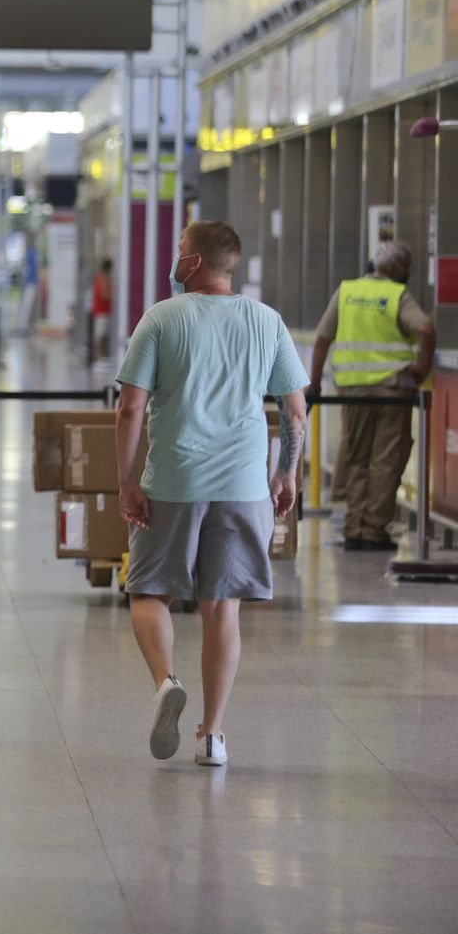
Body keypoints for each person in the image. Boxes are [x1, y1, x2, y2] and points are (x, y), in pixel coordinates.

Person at [115, 220, 308, 769]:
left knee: (149, 590)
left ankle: (165, 682)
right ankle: (212, 737)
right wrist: (286, 474)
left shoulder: (161, 317)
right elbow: (294, 411)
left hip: (173, 481)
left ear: (195, 263)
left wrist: (127, 480)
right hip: (244, 485)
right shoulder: (266, 321)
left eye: (179, 250)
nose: (174, 258)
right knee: (222, 607)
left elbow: (130, 408)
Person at [307, 240, 436, 551]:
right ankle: (374, 531)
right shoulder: (397, 295)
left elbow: (322, 338)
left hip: (351, 388)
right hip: (393, 390)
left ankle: (353, 529)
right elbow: (427, 328)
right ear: (402, 272)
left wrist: (315, 383)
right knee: (386, 460)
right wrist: (422, 368)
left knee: (356, 457)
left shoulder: (346, 291)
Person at [90, 258, 114, 361]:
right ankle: (99, 357)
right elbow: (104, 295)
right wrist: (112, 294)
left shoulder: (99, 278)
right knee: (100, 335)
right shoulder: (104, 279)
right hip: (102, 311)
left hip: (102, 311)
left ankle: (100, 357)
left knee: (101, 335)